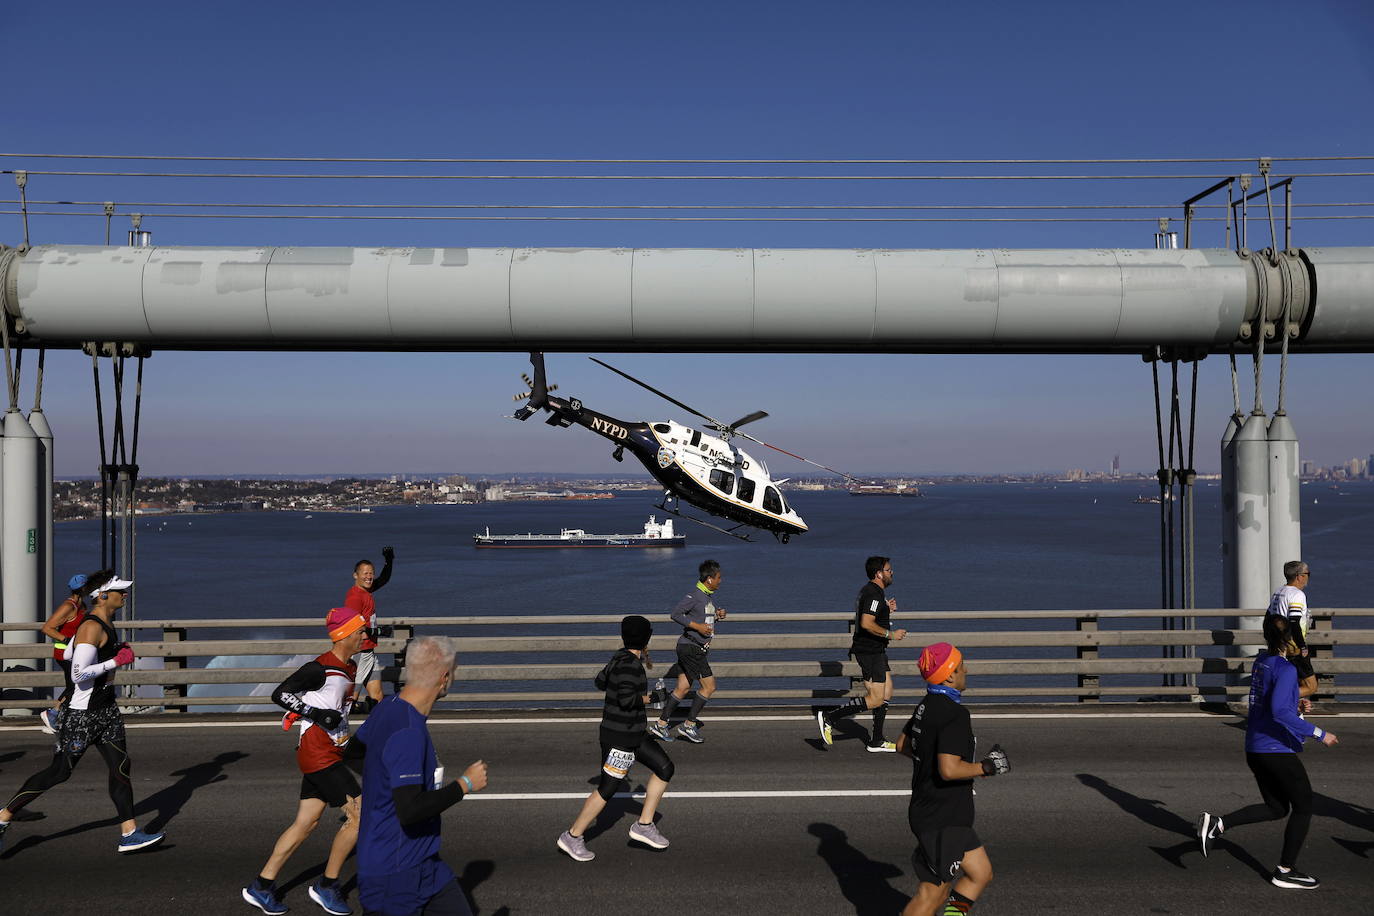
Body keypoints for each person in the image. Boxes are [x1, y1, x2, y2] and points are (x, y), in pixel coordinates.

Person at [0, 575, 164, 855]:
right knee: (59, 772)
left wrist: (112, 651)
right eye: (119, 592)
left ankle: (129, 833)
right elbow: (78, 673)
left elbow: (68, 656)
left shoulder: (103, 623)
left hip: (106, 711)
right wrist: (115, 660)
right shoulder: (91, 626)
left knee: (121, 768)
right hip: (82, 715)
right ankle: (4, 816)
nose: (124, 596)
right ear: (102, 596)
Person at [1197, 614, 1340, 890]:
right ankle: (1285, 870)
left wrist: (1295, 704)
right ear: (1289, 639)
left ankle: (1217, 824)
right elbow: (1278, 711)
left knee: (1276, 808)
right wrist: (1320, 734)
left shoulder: (1262, 662)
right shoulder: (1285, 669)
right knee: (1304, 806)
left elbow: (1273, 702)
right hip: (1275, 750)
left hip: (1255, 746)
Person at [242, 608, 369, 916]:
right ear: (345, 635)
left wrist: (372, 706)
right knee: (359, 818)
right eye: (361, 632)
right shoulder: (320, 668)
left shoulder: (350, 667)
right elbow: (280, 694)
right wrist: (314, 715)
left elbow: (335, 706)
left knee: (306, 822)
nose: (366, 636)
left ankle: (262, 885)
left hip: (332, 750)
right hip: (318, 752)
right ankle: (326, 886)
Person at [353, 636, 488, 916]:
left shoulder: (388, 707)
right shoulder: (408, 732)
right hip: (394, 873)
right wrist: (465, 784)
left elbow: (352, 752)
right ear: (445, 676)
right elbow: (410, 810)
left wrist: (380, 785)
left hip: (425, 863)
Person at [896, 643, 1010, 916]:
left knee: (980, 874)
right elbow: (949, 769)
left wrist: (928, 756)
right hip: (941, 818)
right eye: (961, 667)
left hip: (946, 814)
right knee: (932, 893)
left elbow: (902, 744)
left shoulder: (926, 706)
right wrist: (987, 767)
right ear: (949, 675)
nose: (965, 670)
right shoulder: (955, 714)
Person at [558, 615, 674, 862]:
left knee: (664, 767)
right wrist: (653, 698)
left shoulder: (619, 658)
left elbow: (599, 681)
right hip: (619, 737)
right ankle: (572, 835)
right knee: (608, 789)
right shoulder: (630, 665)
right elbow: (626, 699)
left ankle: (644, 825)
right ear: (645, 638)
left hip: (633, 732)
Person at [817, 556, 908, 751]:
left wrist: (886, 609)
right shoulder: (874, 594)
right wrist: (890, 634)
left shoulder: (874, 593)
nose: (892, 573)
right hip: (870, 651)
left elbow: (872, 614)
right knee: (875, 698)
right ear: (878, 574)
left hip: (876, 650)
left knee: (887, 691)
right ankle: (829, 717)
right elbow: (867, 623)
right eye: (889, 570)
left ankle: (877, 740)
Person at [647, 559, 726, 744]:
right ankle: (688, 726)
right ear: (709, 579)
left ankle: (661, 724)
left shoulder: (706, 597)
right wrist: (698, 627)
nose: (721, 581)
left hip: (692, 648)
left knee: (682, 688)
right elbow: (675, 614)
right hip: (691, 649)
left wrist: (718, 616)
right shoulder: (695, 595)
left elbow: (704, 621)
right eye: (719, 578)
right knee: (709, 687)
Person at [37, 571, 96, 735]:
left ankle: (62, 716)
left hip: (75, 653)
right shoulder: (68, 606)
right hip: (64, 654)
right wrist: (67, 641)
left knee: (77, 685)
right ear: (83, 589)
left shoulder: (81, 605)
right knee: (76, 685)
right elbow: (47, 628)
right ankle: (53, 713)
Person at [344, 547, 395, 710]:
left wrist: (389, 560)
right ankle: (340, 732)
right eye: (365, 573)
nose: (369, 576)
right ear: (355, 575)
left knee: (377, 697)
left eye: (371, 572)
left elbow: (384, 579)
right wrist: (380, 632)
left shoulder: (366, 590)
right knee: (350, 701)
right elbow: (355, 628)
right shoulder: (355, 597)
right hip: (359, 653)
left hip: (369, 651)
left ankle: (375, 731)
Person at [1266, 561, 1318, 705]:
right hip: (1293, 647)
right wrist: (1302, 646)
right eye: (1308, 574)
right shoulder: (1297, 595)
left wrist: (1272, 641)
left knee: (1291, 681)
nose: (1308, 577)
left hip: (1280, 646)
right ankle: (1275, 700)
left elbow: (1268, 618)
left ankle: (1290, 710)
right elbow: (1294, 622)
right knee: (1310, 686)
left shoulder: (1278, 592)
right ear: (1299, 576)